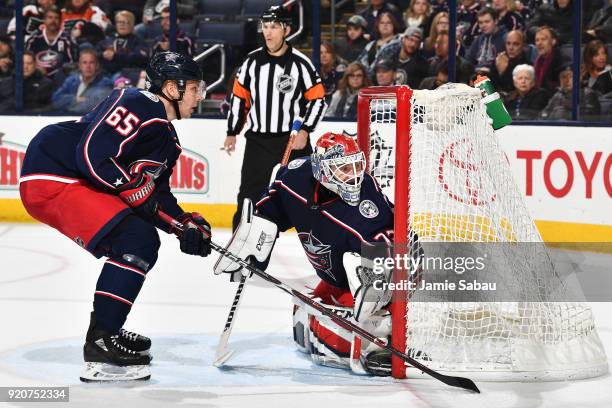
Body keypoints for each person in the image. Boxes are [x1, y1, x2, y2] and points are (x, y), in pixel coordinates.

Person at [20, 51, 211, 382]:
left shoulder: (168, 141)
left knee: (140, 241)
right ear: (171, 88)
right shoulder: (135, 101)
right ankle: (101, 343)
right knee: (135, 239)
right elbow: (93, 155)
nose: (200, 96)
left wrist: (183, 224)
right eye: (194, 88)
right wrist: (136, 191)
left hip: (74, 178)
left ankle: (108, 330)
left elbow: (155, 196)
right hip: (53, 172)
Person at [214, 133, 398, 376]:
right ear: (321, 170)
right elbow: (268, 210)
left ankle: (388, 336)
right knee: (310, 316)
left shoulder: (367, 202)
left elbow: (391, 251)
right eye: (343, 168)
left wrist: (376, 290)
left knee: (338, 335)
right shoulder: (293, 178)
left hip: (369, 283)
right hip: (334, 279)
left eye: (356, 166)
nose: (353, 176)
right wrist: (250, 244)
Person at [224, 6, 326, 230]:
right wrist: (232, 132)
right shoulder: (250, 63)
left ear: (286, 30)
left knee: (306, 192)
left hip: (292, 140)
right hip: (258, 141)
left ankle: (318, 242)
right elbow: (239, 100)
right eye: (265, 27)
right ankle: (238, 243)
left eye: (274, 27)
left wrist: (306, 129)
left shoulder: (301, 63)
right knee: (249, 194)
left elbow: (318, 100)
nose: (268, 33)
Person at [52, 48, 113, 113]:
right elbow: (56, 100)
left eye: (91, 63)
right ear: (80, 66)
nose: (88, 66)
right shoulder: (71, 80)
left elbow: (93, 105)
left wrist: (68, 106)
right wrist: (75, 99)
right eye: (84, 63)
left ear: (97, 66)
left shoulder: (105, 83)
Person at [25, 6, 75, 83]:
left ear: (60, 21)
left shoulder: (66, 40)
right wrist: (37, 69)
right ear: (44, 20)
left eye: (56, 18)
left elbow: (70, 63)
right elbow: (26, 59)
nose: (53, 21)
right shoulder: (34, 38)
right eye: (50, 17)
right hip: (36, 75)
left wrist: (54, 71)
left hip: (58, 78)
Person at [98, 10, 149, 79]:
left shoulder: (138, 41)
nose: (122, 25)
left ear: (131, 25)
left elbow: (139, 58)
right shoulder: (108, 40)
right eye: (119, 22)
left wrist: (115, 56)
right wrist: (103, 54)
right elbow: (95, 52)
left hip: (126, 73)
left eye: (126, 22)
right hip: (105, 72)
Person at [357, 12, 402, 77]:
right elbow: (359, 62)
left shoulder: (399, 42)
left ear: (394, 25)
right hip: (367, 81)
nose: (385, 25)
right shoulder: (370, 45)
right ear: (377, 26)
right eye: (382, 23)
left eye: (388, 23)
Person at [466, 8, 507, 74]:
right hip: (476, 76)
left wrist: (489, 70)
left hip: (495, 78)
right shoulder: (478, 39)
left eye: (487, 22)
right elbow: (468, 60)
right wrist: (475, 70)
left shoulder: (505, 38)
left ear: (496, 21)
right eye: (480, 23)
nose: (483, 25)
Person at [533, 26, 565, 92]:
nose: (539, 43)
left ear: (553, 42)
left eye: (543, 39)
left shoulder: (561, 60)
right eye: (537, 40)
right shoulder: (538, 61)